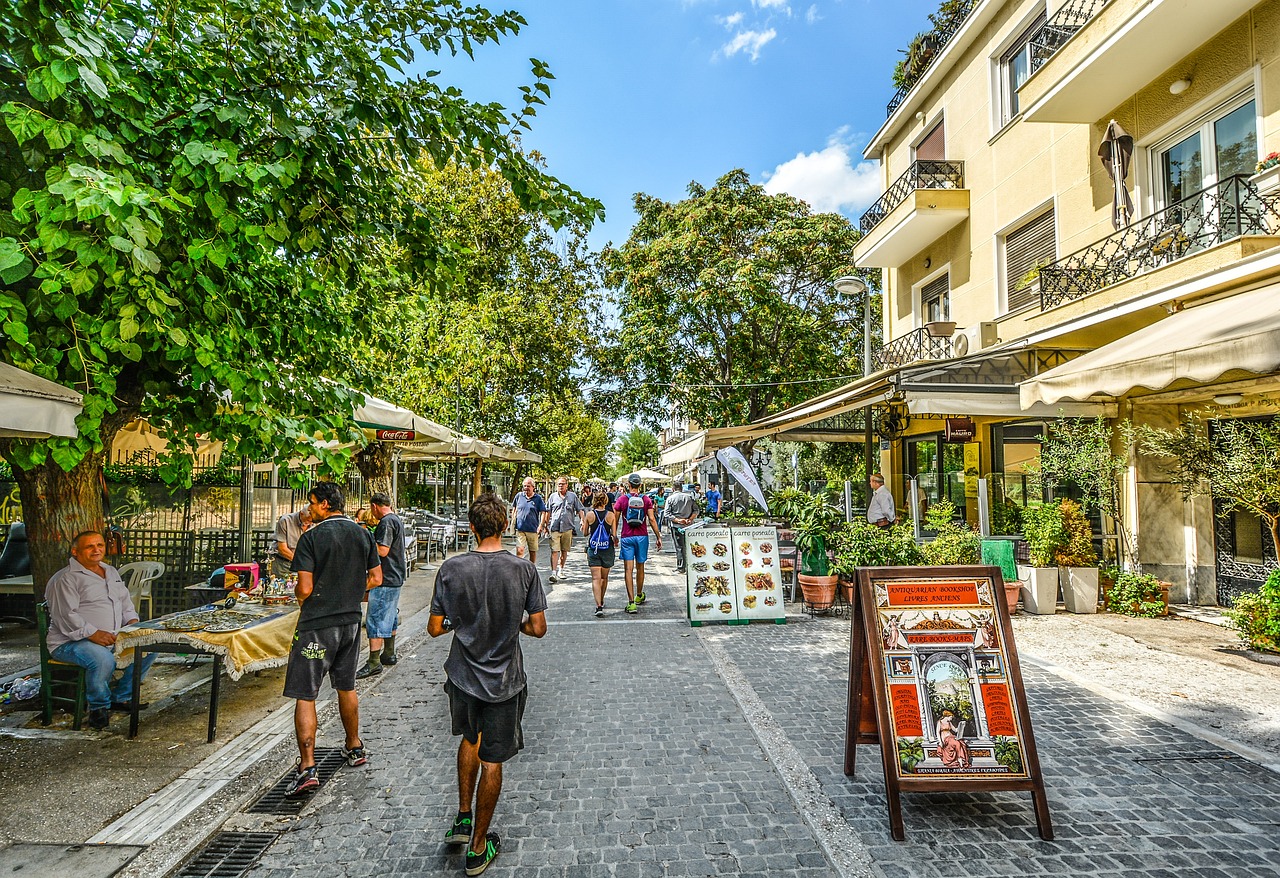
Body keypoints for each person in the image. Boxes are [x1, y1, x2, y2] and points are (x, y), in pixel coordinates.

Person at [428, 492, 547, 877]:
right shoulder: (523, 569)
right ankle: (479, 848)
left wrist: (457, 623)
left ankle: (464, 818)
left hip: (463, 676)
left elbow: (434, 627)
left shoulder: (451, 568)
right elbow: (539, 628)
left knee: (469, 740)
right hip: (505, 680)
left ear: (472, 528)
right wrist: (515, 625)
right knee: (493, 759)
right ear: (506, 525)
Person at [283, 482, 382, 797]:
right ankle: (354, 746)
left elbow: (305, 588)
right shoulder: (363, 534)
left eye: (312, 502)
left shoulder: (311, 538)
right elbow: (376, 578)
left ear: (325, 504)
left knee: (305, 693)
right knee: (347, 685)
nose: (309, 508)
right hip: (351, 623)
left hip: (316, 626)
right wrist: (352, 594)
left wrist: (299, 596)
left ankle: (308, 766)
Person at [44, 531, 157, 731]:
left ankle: (121, 697)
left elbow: (124, 601)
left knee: (150, 644)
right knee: (103, 659)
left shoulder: (110, 571)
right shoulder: (66, 578)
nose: (96, 550)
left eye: (100, 545)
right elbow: (65, 615)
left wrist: (132, 622)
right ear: (75, 551)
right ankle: (99, 708)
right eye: (90, 547)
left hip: (112, 635)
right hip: (70, 642)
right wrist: (94, 634)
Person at [357, 492, 406, 679]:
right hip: (395, 576)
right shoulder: (396, 519)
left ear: (374, 506)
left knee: (376, 618)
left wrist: (366, 542)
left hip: (385, 577)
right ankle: (389, 653)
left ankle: (374, 661)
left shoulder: (386, 522)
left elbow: (382, 550)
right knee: (390, 615)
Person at [613, 473, 662, 614]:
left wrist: (614, 535)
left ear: (628, 485)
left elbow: (615, 519)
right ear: (640, 485)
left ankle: (631, 603)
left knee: (628, 569)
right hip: (642, 537)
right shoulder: (646, 499)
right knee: (640, 567)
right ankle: (639, 595)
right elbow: (652, 519)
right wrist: (658, 537)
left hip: (627, 537)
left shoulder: (622, 500)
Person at [582, 490, 617, 617]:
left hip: (594, 548)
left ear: (594, 501)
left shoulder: (590, 515)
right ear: (606, 501)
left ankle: (598, 606)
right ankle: (601, 599)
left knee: (596, 578)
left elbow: (585, 533)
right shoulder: (611, 515)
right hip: (607, 549)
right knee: (604, 578)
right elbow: (614, 534)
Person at [543, 476, 584, 583]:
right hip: (554, 528)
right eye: (559, 484)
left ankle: (561, 569)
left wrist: (582, 520)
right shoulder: (552, 497)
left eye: (563, 484)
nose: (560, 486)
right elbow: (547, 511)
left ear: (567, 485)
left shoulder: (572, 496)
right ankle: (553, 572)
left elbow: (580, 509)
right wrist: (545, 525)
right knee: (554, 550)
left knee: (564, 550)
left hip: (567, 528)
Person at [511, 478, 547, 566]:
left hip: (533, 529)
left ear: (533, 487)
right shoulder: (519, 496)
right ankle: (519, 568)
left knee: (533, 551)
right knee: (520, 550)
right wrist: (513, 520)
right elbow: (514, 508)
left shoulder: (537, 498)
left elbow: (543, 512)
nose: (526, 488)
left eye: (528, 486)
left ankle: (532, 568)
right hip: (520, 529)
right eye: (525, 486)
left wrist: (541, 525)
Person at [271, 505, 314, 579]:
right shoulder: (285, 521)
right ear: (301, 514)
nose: (310, 523)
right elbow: (282, 549)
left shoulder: (315, 523)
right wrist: (301, 562)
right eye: (308, 520)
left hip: (305, 567)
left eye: (312, 521)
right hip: (283, 565)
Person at [664, 481, 697, 574]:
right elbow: (696, 510)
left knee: (679, 547)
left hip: (676, 526)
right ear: (682, 488)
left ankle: (681, 567)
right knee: (688, 546)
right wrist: (689, 519)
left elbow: (667, 514)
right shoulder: (689, 497)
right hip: (689, 526)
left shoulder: (670, 499)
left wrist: (678, 520)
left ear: (673, 489)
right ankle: (689, 566)